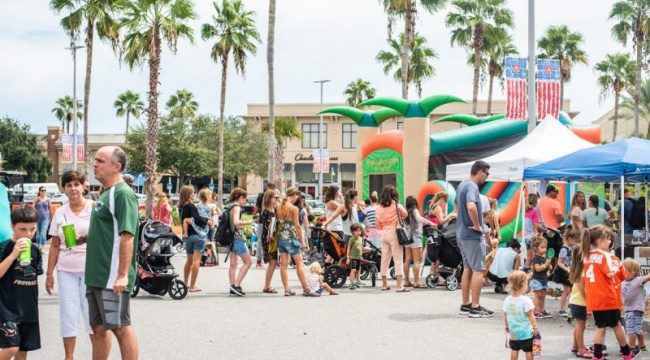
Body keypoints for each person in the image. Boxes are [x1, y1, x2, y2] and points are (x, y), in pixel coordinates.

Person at [85, 146, 139, 360]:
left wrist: (123, 274)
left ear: (116, 167)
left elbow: (128, 236)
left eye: (100, 161)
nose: (94, 164)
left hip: (111, 276)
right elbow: (109, 231)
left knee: (120, 327)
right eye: (94, 160)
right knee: (98, 328)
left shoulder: (123, 194)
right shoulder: (105, 193)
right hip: (96, 275)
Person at [46, 171, 97, 359]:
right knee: (68, 315)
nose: (73, 188)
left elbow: (105, 238)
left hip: (91, 269)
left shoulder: (94, 208)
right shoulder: (59, 212)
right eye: (69, 185)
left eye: (77, 184)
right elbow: (55, 246)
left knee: (92, 316)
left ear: (84, 186)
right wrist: (49, 273)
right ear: (64, 188)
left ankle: (97, 355)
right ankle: (69, 357)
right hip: (66, 270)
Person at [580, 225, 634, 360]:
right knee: (617, 325)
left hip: (594, 298)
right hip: (608, 297)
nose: (610, 242)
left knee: (600, 326)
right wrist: (616, 267)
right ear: (600, 240)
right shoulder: (606, 256)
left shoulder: (586, 256)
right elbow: (611, 273)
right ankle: (626, 352)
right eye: (608, 239)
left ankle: (597, 355)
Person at [0, 206, 43, 359]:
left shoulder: (36, 250)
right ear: (12, 226)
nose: (28, 234)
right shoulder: (4, 247)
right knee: (11, 347)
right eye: (22, 229)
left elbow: (33, 278)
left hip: (28, 309)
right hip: (7, 309)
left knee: (22, 352)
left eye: (32, 229)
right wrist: (13, 255)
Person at [456, 160, 493, 317]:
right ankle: (475, 307)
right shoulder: (472, 186)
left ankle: (466, 304)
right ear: (480, 171)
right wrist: (478, 225)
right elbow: (471, 206)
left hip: (461, 234)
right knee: (478, 269)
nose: (487, 177)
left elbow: (457, 207)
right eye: (487, 173)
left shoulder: (461, 185)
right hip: (472, 235)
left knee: (468, 269)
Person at [275, 187, 310, 296]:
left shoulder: (278, 206)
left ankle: (287, 289)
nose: (296, 199)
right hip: (291, 238)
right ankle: (306, 288)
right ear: (294, 195)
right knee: (299, 263)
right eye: (297, 197)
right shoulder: (294, 208)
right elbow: (297, 226)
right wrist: (302, 242)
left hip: (281, 238)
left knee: (283, 265)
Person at [375, 185, 408, 292]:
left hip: (383, 234)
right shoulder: (396, 205)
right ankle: (399, 286)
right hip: (394, 233)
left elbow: (377, 225)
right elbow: (405, 214)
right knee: (398, 259)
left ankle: (384, 284)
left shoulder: (378, 208)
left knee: (384, 259)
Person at [179, 186, 211, 292]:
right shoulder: (191, 205)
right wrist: (207, 221)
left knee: (188, 261)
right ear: (188, 194)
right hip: (198, 236)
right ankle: (192, 286)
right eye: (193, 192)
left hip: (188, 237)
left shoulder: (182, 206)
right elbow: (197, 219)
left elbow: (184, 221)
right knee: (196, 261)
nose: (194, 194)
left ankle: (185, 283)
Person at [503, 270, 539, 360]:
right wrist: (535, 328)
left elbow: (505, 314)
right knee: (528, 351)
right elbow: (531, 315)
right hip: (526, 333)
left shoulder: (507, 300)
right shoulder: (526, 300)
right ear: (523, 285)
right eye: (527, 283)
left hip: (514, 332)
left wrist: (506, 325)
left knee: (514, 349)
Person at [403, 196, 435, 288]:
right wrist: (430, 222)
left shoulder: (406, 212)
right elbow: (418, 219)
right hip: (416, 237)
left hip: (407, 238)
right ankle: (417, 282)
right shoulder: (415, 211)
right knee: (417, 260)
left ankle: (406, 281)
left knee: (407, 260)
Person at [227, 188, 254, 297]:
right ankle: (236, 285)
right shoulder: (237, 207)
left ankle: (232, 286)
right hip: (237, 238)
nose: (246, 201)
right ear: (241, 198)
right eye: (245, 199)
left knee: (233, 264)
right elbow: (236, 222)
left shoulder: (230, 206)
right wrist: (249, 222)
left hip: (230, 238)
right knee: (248, 262)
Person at [567, 246, 593, 359]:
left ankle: (575, 345)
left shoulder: (577, 268)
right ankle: (581, 349)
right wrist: (589, 301)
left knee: (579, 325)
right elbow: (582, 288)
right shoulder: (583, 270)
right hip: (580, 302)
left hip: (575, 301)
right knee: (580, 326)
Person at [622, 258, 650, 355]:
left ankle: (631, 349)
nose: (621, 271)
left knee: (631, 331)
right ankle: (642, 346)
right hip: (630, 310)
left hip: (634, 310)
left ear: (633, 272)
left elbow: (647, 277)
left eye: (623, 269)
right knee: (637, 330)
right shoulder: (623, 282)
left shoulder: (637, 280)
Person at [427, 191, 456, 280]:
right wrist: (451, 215)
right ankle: (435, 277)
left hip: (433, 234)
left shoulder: (432, 206)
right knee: (438, 257)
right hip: (438, 233)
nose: (445, 204)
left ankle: (434, 276)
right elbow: (441, 221)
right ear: (442, 200)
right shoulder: (438, 207)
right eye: (445, 202)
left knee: (435, 257)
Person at [553, 227, 580, 319]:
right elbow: (559, 262)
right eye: (575, 240)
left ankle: (571, 308)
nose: (576, 243)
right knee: (567, 291)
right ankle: (561, 309)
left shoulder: (571, 247)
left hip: (570, 271)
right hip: (564, 272)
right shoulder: (564, 249)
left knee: (572, 291)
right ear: (569, 239)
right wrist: (567, 269)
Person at [261, 189, 280, 294]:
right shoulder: (268, 212)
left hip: (270, 240)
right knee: (272, 263)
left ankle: (267, 285)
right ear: (269, 199)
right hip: (270, 241)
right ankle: (267, 286)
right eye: (275, 198)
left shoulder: (271, 210)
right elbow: (268, 229)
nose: (277, 199)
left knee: (273, 263)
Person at [254, 184, 276, 267]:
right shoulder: (273, 196)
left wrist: (257, 213)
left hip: (261, 221)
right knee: (271, 239)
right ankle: (272, 259)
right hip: (269, 221)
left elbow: (256, 209)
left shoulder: (260, 195)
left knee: (260, 240)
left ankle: (259, 261)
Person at [530, 236, 551, 318]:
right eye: (542, 247)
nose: (544, 249)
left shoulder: (544, 258)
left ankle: (542, 310)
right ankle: (536, 311)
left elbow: (549, 269)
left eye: (545, 247)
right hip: (537, 280)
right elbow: (537, 269)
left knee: (543, 296)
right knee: (537, 296)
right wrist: (546, 264)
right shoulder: (536, 258)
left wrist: (549, 265)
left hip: (544, 280)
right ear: (536, 248)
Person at [523, 194, 543, 268]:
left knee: (528, 258)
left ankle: (524, 273)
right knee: (535, 258)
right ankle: (534, 274)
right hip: (532, 237)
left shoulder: (525, 211)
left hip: (526, 237)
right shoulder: (534, 213)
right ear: (535, 202)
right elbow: (537, 226)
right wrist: (544, 230)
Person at [32, 186, 50, 250]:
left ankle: (42, 247)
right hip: (37, 219)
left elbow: (50, 209)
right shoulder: (36, 199)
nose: (44, 192)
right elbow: (33, 208)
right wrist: (32, 217)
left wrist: (52, 218)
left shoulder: (48, 199)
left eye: (45, 190)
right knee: (38, 234)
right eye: (42, 190)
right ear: (39, 191)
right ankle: (37, 246)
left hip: (45, 219)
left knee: (43, 233)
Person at [346, 223, 364, 289]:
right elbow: (349, 248)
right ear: (353, 232)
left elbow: (361, 247)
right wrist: (348, 257)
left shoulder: (360, 238)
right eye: (356, 231)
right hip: (353, 257)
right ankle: (351, 283)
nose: (358, 232)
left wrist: (361, 254)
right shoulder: (352, 239)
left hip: (358, 257)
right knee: (353, 270)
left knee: (358, 270)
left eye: (360, 230)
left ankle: (357, 281)